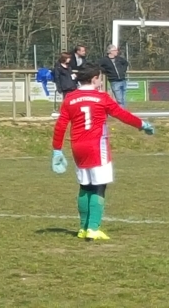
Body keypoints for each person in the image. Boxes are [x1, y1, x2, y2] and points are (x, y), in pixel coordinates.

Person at [51, 62, 154, 240]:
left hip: (78, 147)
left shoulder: (70, 98)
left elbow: (60, 125)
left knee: (85, 186)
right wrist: (142, 124)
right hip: (97, 147)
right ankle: (93, 228)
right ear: (94, 79)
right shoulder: (101, 97)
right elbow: (122, 115)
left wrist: (57, 150)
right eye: (99, 78)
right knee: (99, 186)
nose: (100, 82)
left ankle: (83, 228)